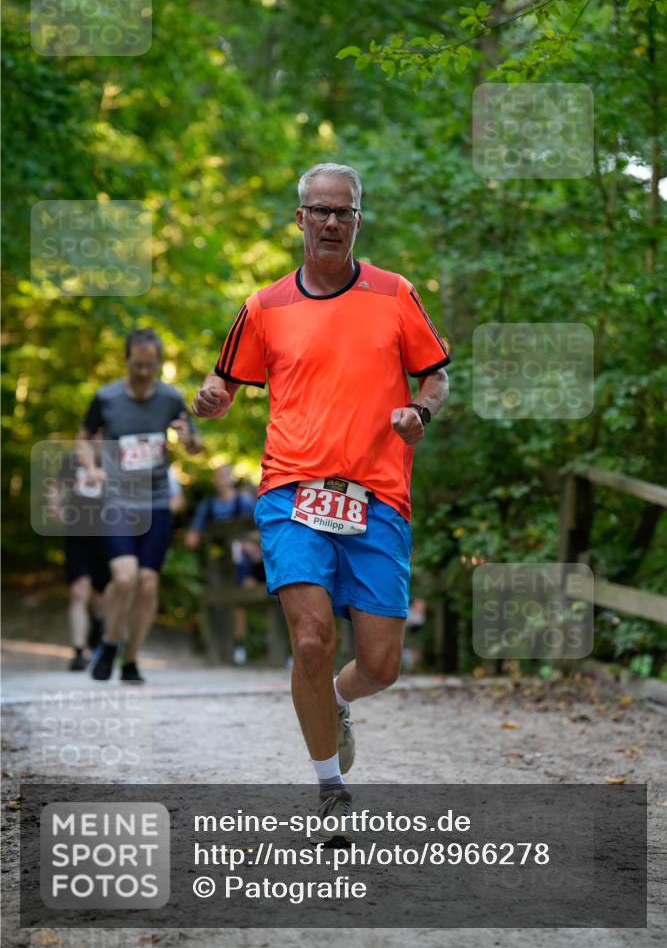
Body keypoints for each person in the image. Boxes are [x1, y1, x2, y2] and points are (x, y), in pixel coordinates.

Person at [192, 163, 449, 839]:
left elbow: (436, 375)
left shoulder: (395, 295)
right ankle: (328, 787)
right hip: (291, 490)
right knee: (310, 640)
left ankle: (337, 699)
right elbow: (222, 389)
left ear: (357, 220)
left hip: (378, 495)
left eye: (344, 212)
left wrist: (420, 410)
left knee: (380, 666)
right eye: (320, 211)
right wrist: (210, 403)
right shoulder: (263, 307)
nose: (332, 222)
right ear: (299, 218)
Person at [78, 328, 202, 683]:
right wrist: (91, 468)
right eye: (137, 365)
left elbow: (195, 446)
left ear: (158, 363)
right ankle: (110, 641)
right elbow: (83, 440)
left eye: (150, 366)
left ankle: (129, 660)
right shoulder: (106, 398)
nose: (144, 372)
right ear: (125, 360)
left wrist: (188, 438)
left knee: (147, 583)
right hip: (118, 497)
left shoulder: (170, 398)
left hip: (157, 500)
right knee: (125, 575)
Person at [185, 464, 256, 664]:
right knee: (217, 598)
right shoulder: (208, 506)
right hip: (216, 562)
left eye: (225, 475)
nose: (221, 480)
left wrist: (250, 545)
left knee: (240, 595)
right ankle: (220, 646)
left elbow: (257, 529)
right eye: (218, 476)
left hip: (241, 560)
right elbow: (192, 538)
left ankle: (239, 643)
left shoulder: (243, 501)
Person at [51, 448, 108, 670]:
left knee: (100, 598)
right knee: (79, 590)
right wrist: (55, 506)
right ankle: (77, 651)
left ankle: (99, 635)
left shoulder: (114, 459)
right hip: (77, 532)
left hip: (106, 534)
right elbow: (56, 487)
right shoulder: (72, 460)